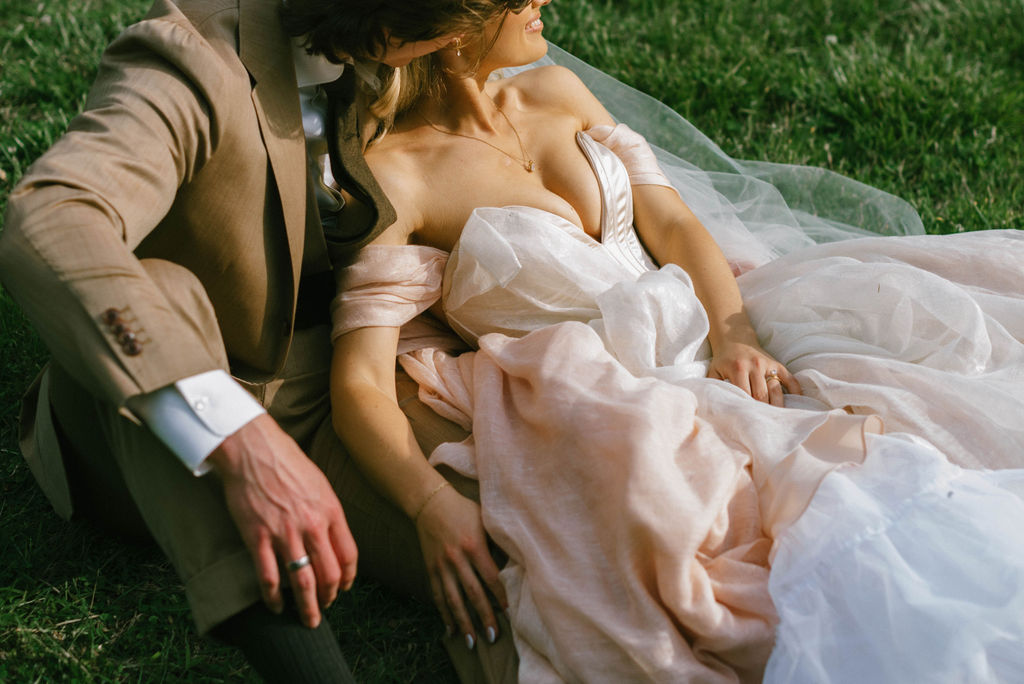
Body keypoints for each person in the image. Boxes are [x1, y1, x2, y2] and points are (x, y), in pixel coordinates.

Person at [329, 0, 1024, 681]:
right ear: (450, 35)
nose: (544, 2)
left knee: (918, 390)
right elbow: (358, 384)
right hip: (606, 390)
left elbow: (674, 224)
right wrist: (430, 504)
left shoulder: (553, 90)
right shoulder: (398, 176)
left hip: (703, 328)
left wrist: (735, 337)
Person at [0, 0, 524, 681]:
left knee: (517, 555)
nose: (458, 41)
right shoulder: (190, 59)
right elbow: (48, 218)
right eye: (451, 27)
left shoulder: (398, 58)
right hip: (153, 410)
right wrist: (240, 437)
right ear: (389, 23)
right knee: (164, 291)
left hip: (335, 391)